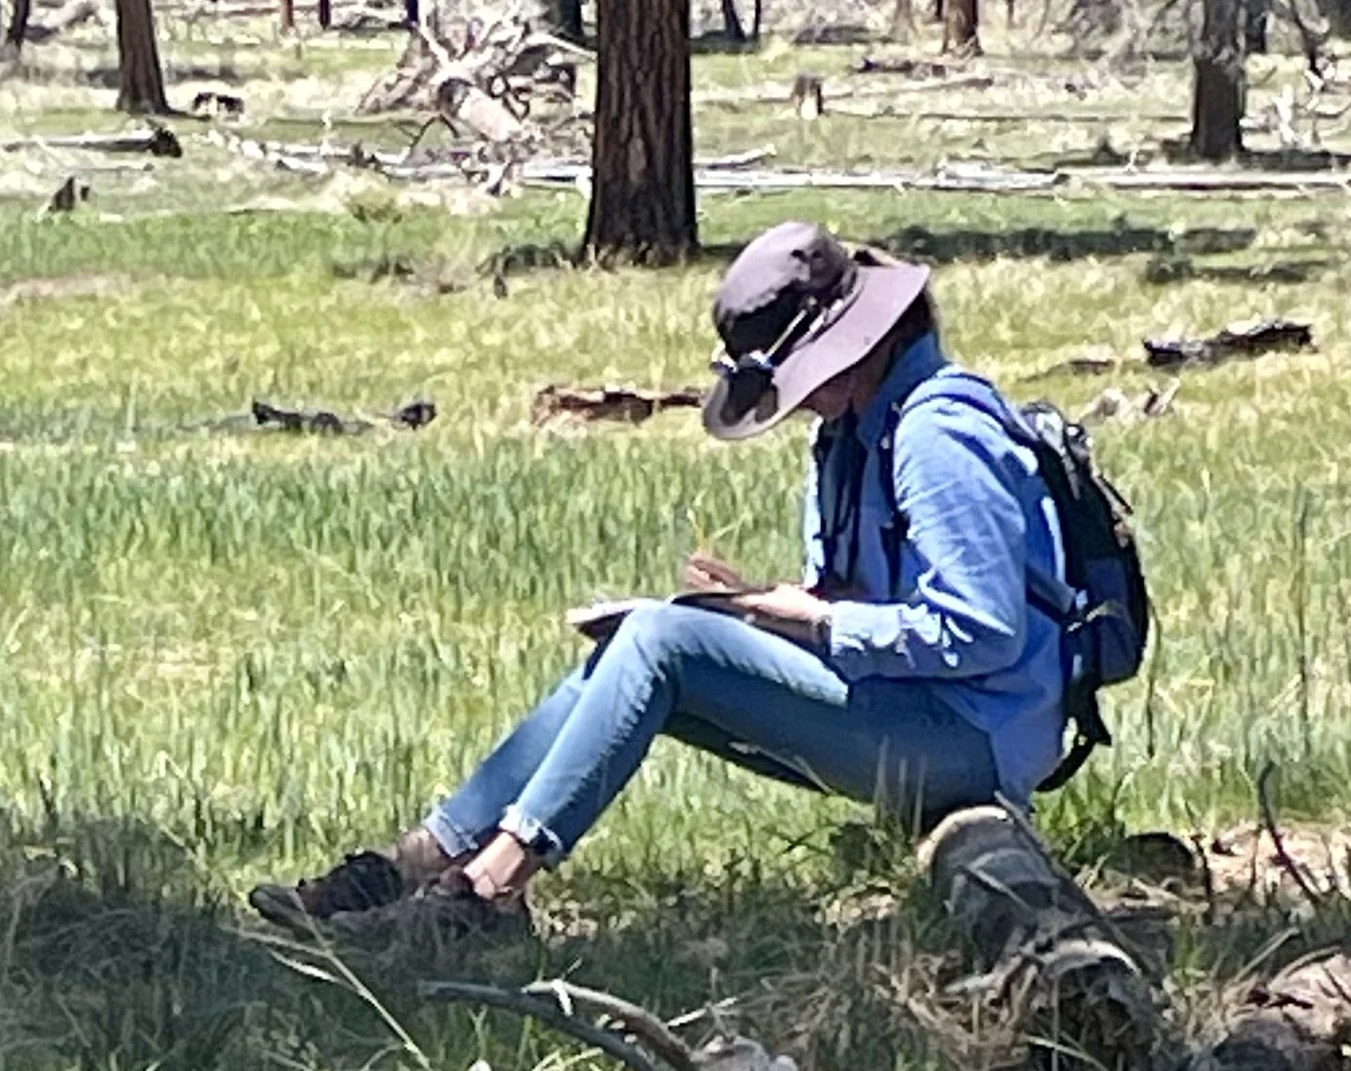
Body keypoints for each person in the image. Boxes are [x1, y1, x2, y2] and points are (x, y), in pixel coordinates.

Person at [249, 221, 1073, 948]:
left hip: (976, 740)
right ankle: (421, 858)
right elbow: (866, 594)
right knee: (632, 648)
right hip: (916, 708)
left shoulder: (934, 432)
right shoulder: (858, 429)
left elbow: (982, 633)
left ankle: (489, 888)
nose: (796, 404)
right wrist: (759, 608)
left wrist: (813, 626)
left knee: (659, 641)